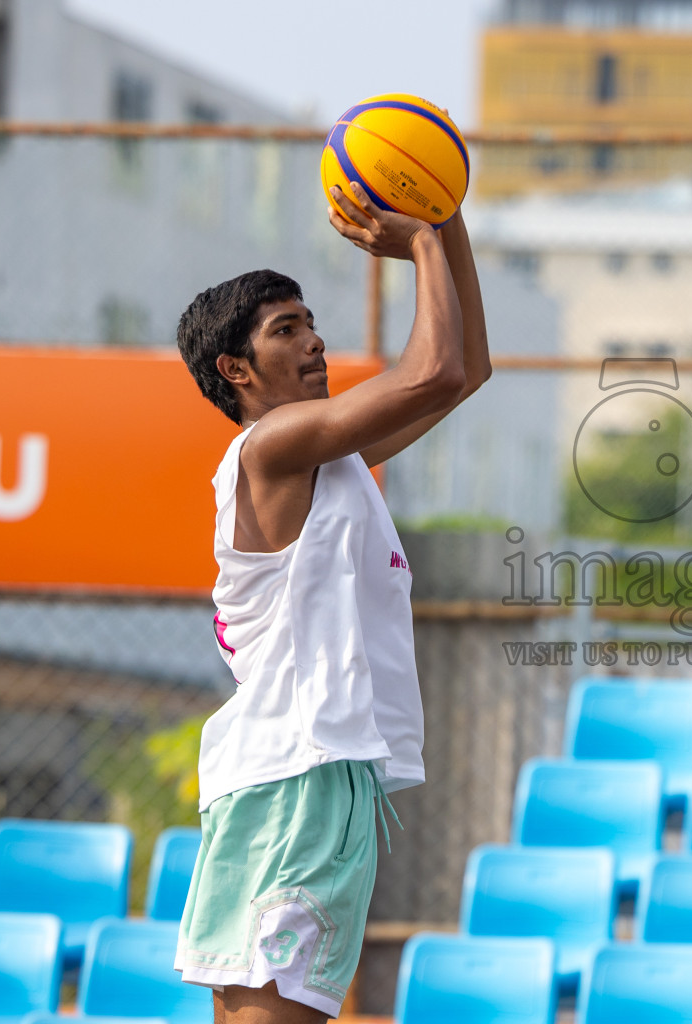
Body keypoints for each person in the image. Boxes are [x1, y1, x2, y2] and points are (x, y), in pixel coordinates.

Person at [170, 182, 489, 1022]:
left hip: (304, 773)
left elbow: (465, 374)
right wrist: (419, 244)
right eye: (287, 330)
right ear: (237, 371)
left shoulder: (326, 455)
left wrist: (444, 214)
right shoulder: (272, 445)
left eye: (310, 321)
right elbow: (436, 368)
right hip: (297, 777)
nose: (314, 342)